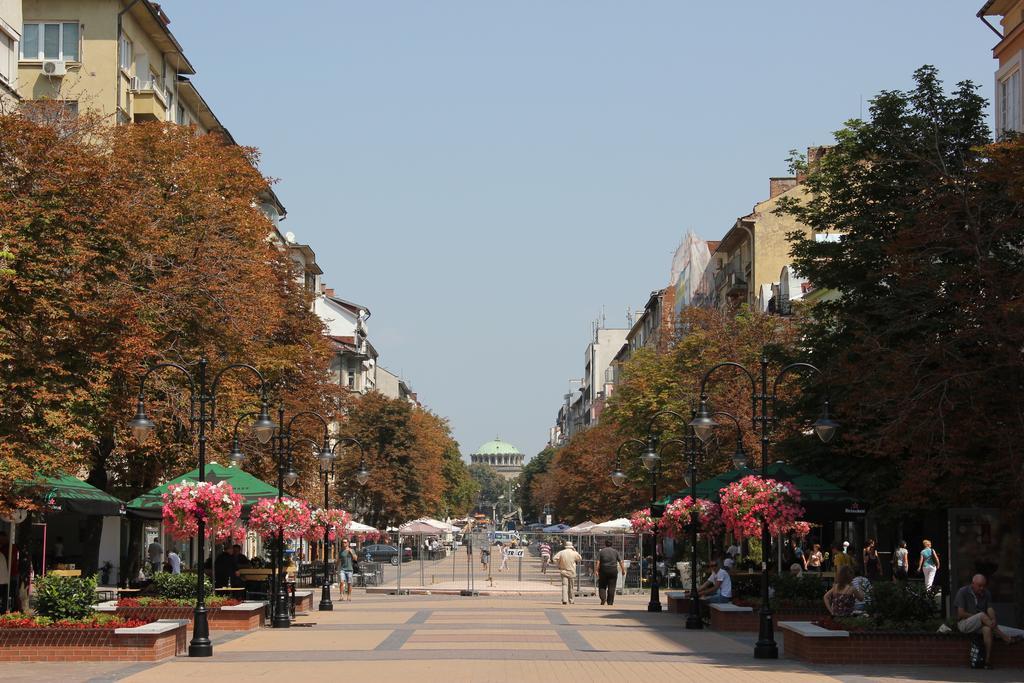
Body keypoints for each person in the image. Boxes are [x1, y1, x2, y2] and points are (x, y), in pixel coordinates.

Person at [954, 574, 1012, 668]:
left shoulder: (986, 593)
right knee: (981, 615)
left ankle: (987, 661)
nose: (982, 588)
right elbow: (961, 613)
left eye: (983, 585)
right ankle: (1004, 637)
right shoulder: (963, 591)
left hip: (981, 623)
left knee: (987, 629)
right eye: (979, 585)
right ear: (973, 584)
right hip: (964, 623)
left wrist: (993, 619)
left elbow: (989, 608)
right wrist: (978, 617)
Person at [595, 539, 625, 606]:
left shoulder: (601, 551)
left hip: (603, 570)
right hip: (613, 570)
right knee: (612, 586)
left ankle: (603, 598)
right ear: (612, 544)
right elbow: (620, 561)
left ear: (605, 544)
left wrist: (596, 570)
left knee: (602, 585)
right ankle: (610, 602)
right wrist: (623, 570)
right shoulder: (615, 552)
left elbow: (598, 562)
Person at [552, 541, 582, 605]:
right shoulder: (574, 553)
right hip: (572, 571)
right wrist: (575, 551)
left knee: (564, 586)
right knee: (571, 587)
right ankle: (571, 600)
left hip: (563, 571)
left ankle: (564, 599)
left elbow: (554, 558)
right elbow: (580, 558)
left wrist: (558, 565)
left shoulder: (561, 552)